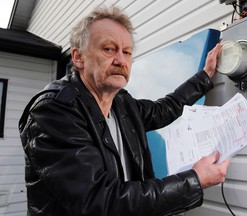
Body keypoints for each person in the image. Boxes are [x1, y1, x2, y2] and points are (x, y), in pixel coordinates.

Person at [19, 5, 229, 216]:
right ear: (78, 57)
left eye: (127, 52)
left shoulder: (122, 104)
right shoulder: (54, 112)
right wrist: (195, 180)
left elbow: (164, 109)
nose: (121, 60)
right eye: (109, 49)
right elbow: (98, 202)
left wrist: (205, 75)